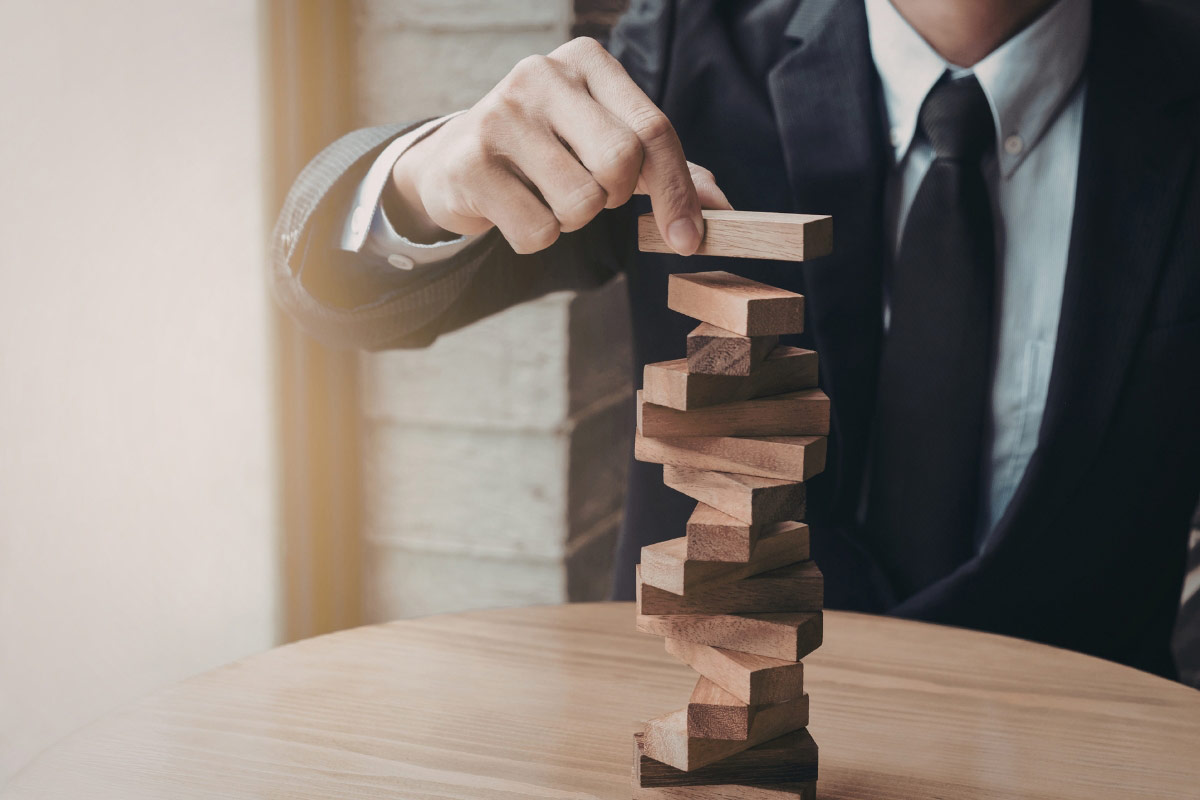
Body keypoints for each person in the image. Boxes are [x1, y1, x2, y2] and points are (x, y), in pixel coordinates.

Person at [272, 0, 1200, 679]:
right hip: (704, 729)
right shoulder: (685, 51)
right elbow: (336, 290)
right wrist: (425, 180)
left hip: (1082, 747)